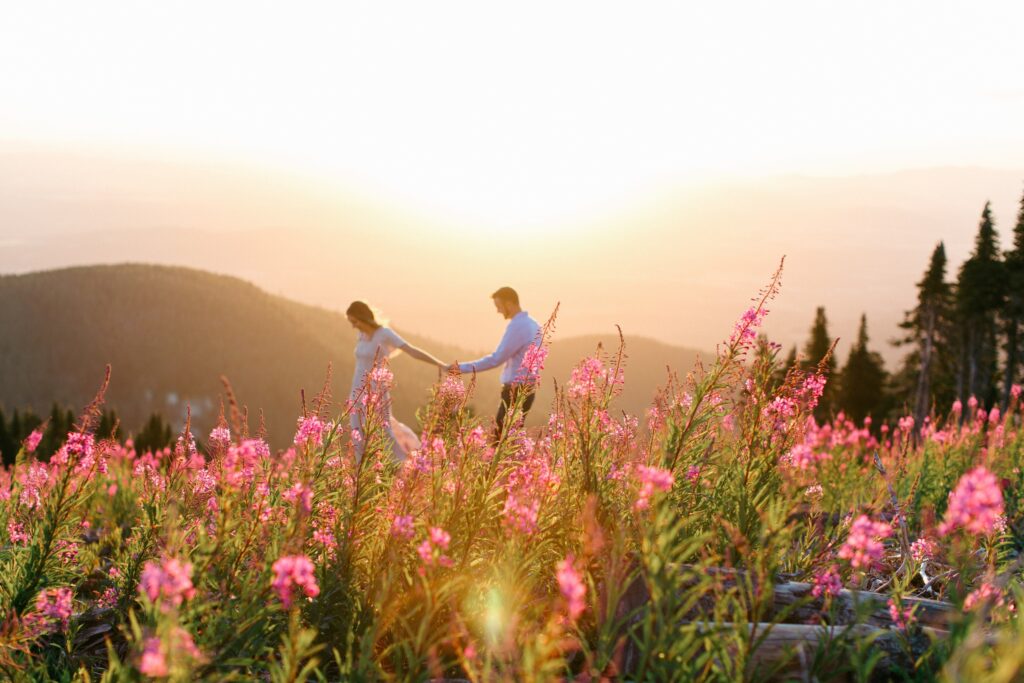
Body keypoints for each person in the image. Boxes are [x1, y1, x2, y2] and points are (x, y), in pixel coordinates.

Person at [346, 301, 445, 462]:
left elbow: (411, 350)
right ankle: (361, 470)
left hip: (376, 389)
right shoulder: (361, 335)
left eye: (355, 322)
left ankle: (402, 466)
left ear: (363, 318)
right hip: (357, 388)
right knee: (356, 431)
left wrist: (440, 364)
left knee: (384, 430)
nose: (353, 326)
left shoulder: (384, 333)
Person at [449, 287, 542, 441]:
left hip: (515, 390)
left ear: (509, 304)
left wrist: (460, 368)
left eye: (499, 306)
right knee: (510, 439)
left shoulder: (518, 326)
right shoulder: (534, 324)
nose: (498, 311)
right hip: (529, 389)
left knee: (499, 442)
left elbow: (496, 359)